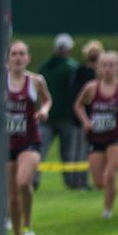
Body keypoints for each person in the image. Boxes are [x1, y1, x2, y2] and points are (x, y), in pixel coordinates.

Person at [5, 40, 52, 235]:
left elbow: (47, 100)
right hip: (6, 143)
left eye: (22, 54)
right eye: (14, 54)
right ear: (8, 59)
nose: (17, 58)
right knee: (12, 193)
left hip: (29, 141)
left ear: (28, 58)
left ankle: (28, 225)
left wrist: (44, 111)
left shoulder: (35, 81)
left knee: (23, 182)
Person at [74, 50, 118, 218]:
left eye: (112, 65)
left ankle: (107, 211)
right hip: (95, 137)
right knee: (98, 182)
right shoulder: (91, 87)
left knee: (111, 175)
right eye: (104, 65)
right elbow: (78, 105)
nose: (108, 69)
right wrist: (85, 121)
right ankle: (109, 194)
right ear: (99, 67)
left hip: (115, 137)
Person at [37, 33, 80, 190]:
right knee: (68, 153)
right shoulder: (72, 67)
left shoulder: (44, 66)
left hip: (46, 116)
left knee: (39, 150)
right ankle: (72, 182)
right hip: (66, 117)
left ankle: (33, 179)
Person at [70, 40, 104, 189]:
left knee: (83, 151)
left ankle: (83, 180)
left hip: (92, 117)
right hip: (89, 117)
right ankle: (82, 181)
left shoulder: (85, 72)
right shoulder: (87, 73)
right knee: (86, 151)